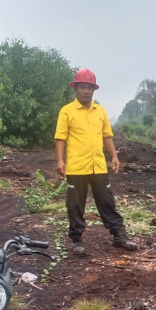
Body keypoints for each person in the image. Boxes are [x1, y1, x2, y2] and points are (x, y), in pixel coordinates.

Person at [54, 68, 138, 256]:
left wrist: (114, 156)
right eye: (82, 87)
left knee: (107, 201)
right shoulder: (66, 111)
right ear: (76, 89)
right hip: (77, 167)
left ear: (94, 90)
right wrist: (60, 160)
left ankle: (119, 236)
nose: (86, 91)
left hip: (98, 165)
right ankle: (76, 240)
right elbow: (60, 138)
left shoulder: (100, 111)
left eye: (89, 88)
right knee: (75, 204)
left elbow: (107, 136)